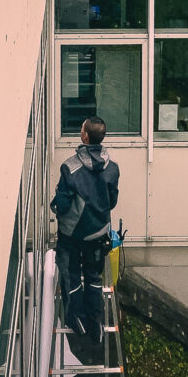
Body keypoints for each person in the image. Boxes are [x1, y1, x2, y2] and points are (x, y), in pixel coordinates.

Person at [51, 116, 119, 342]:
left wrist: (55, 207)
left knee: (71, 276)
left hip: (72, 234)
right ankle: (96, 323)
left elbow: (62, 203)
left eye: (82, 128)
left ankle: (76, 319)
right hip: (98, 233)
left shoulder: (70, 168)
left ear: (85, 136)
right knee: (93, 277)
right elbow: (112, 201)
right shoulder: (113, 168)